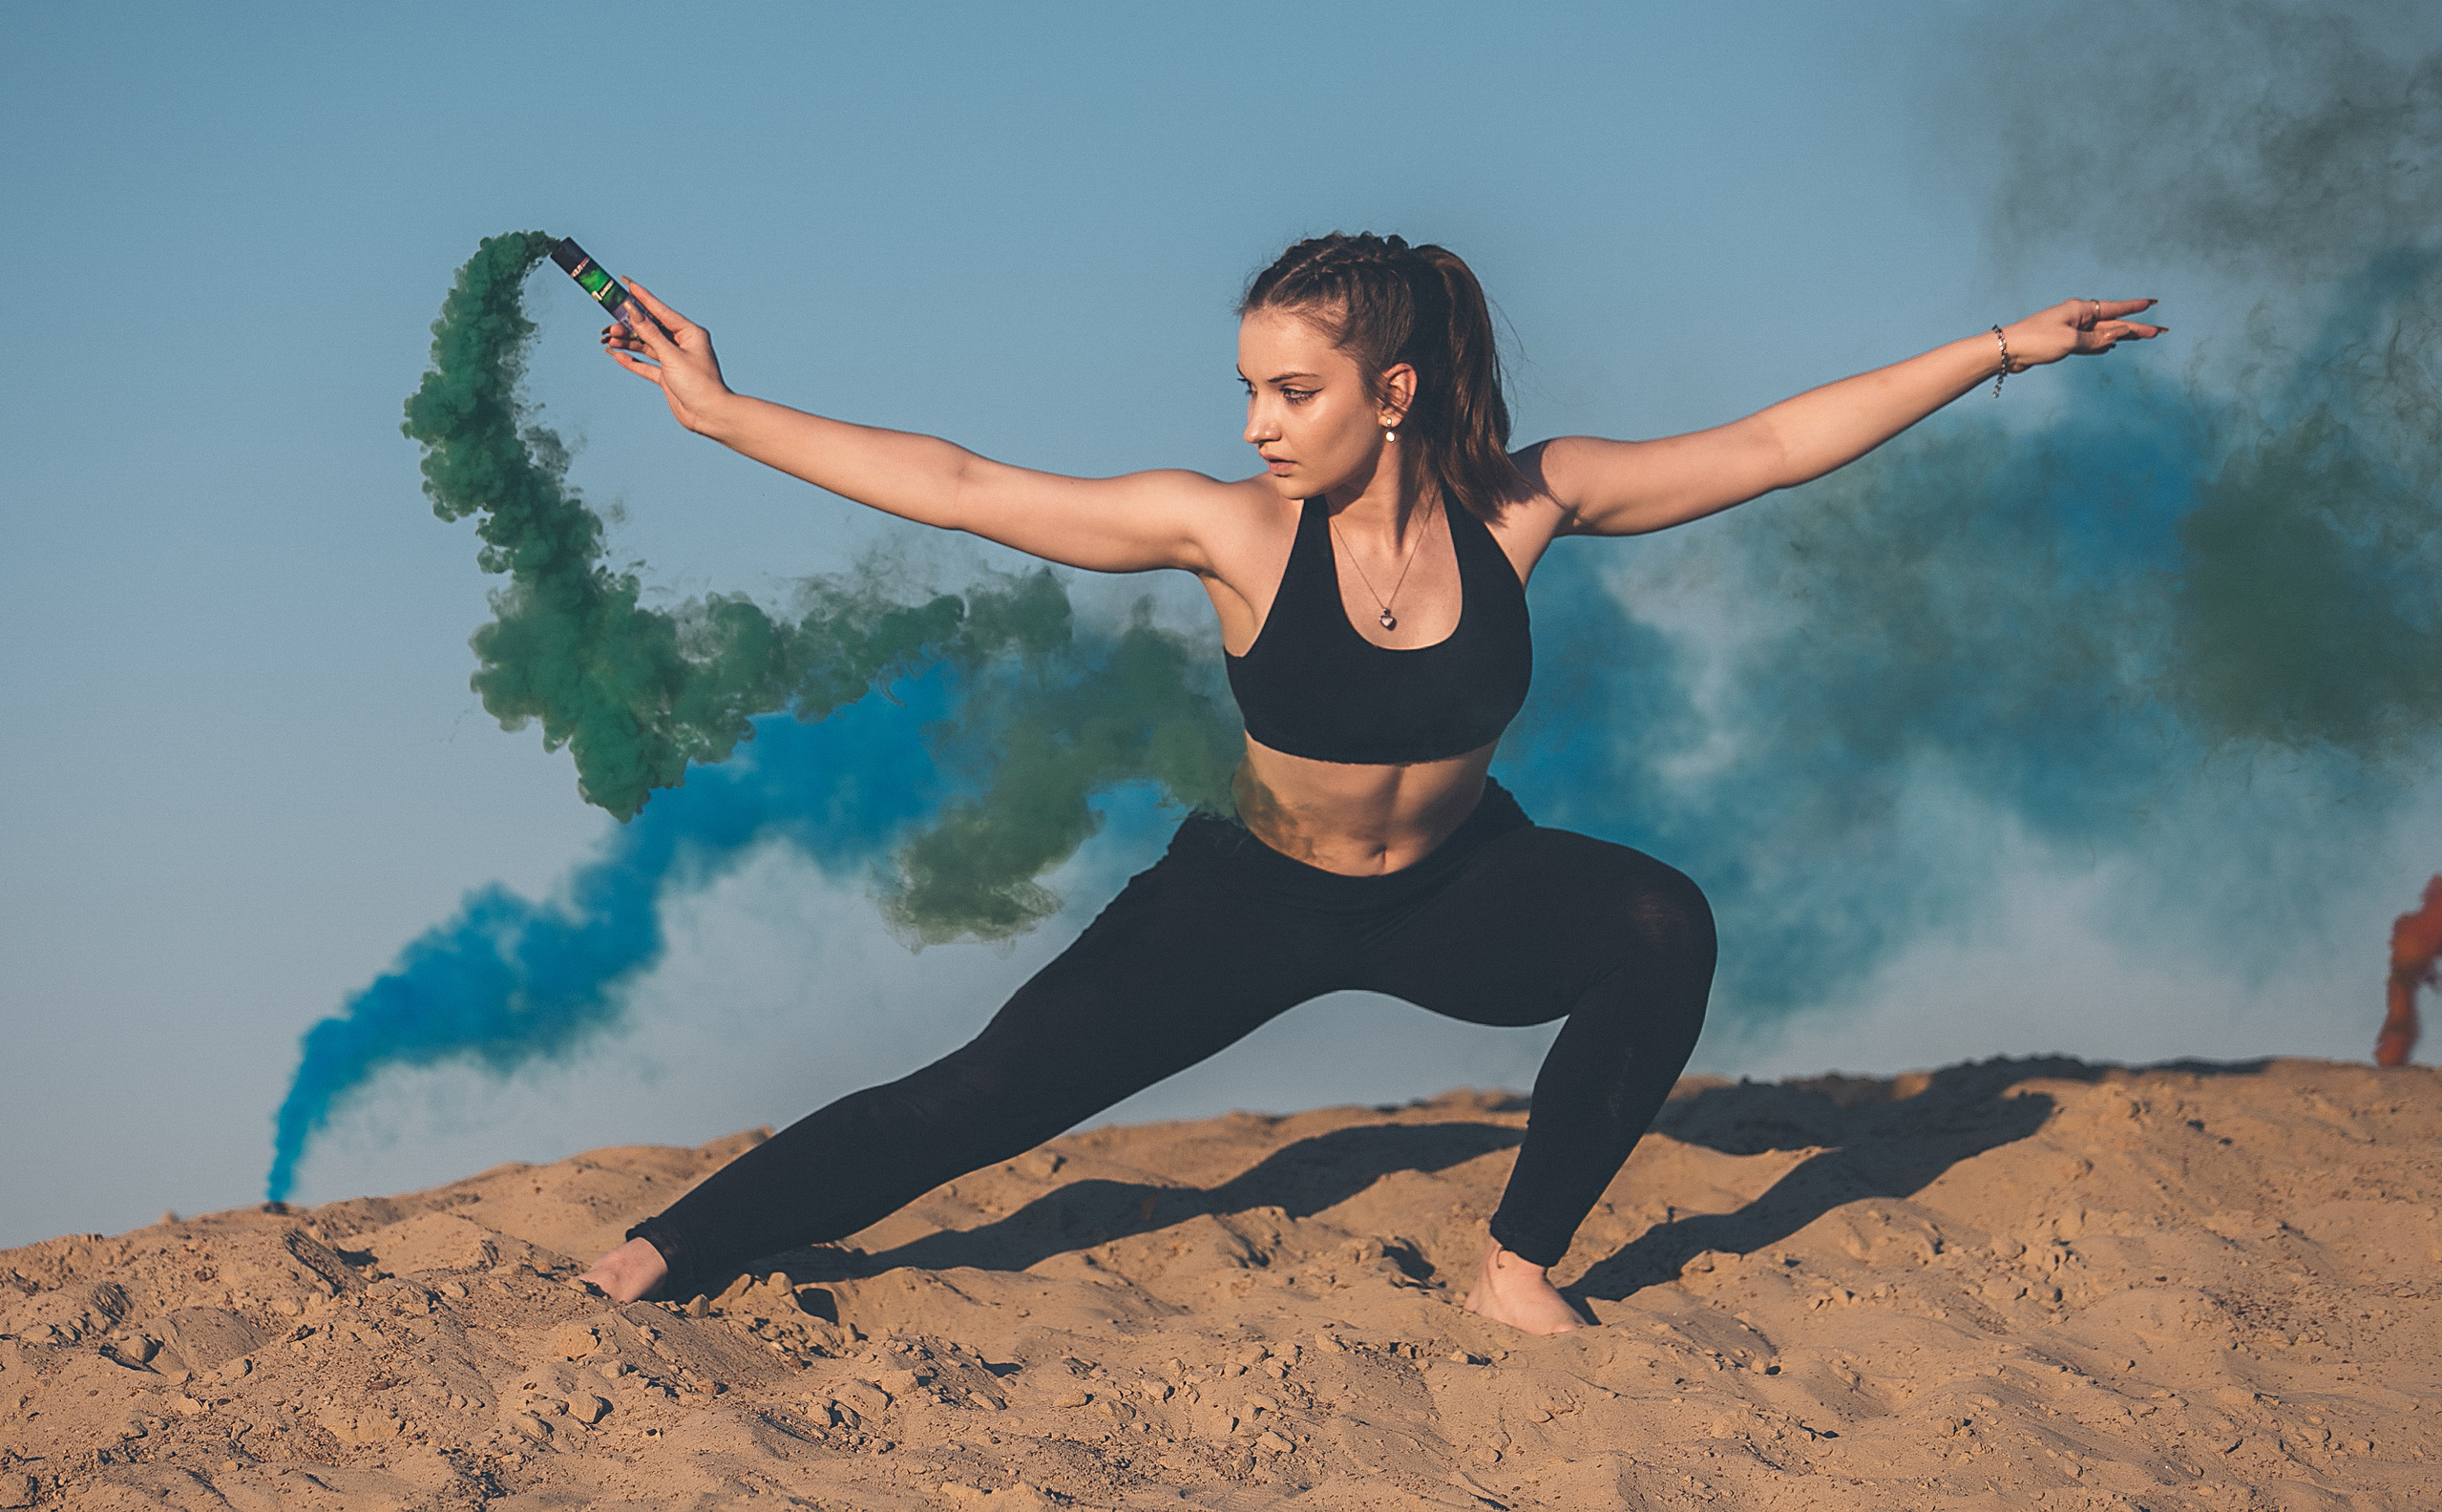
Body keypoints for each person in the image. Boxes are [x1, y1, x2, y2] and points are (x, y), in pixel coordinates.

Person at [576, 233, 2161, 1334]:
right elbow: (963, 482)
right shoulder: (1234, 531)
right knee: (984, 1095)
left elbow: (1773, 444)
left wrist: (2010, 344)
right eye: (1251, 389)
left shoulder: (1526, 507)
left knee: (1659, 922)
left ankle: (1517, 1264)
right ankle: (669, 1246)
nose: (1259, 424)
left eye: (1294, 392)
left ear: (1390, 390)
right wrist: (719, 412)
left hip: (1457, 890)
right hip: (1251, 899)